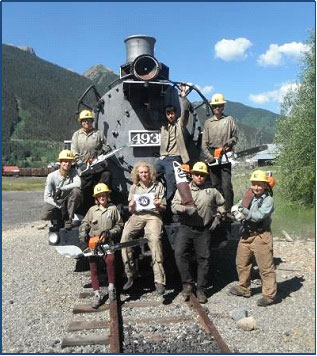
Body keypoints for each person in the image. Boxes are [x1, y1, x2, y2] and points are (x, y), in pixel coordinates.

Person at [171, 162, 226, 304]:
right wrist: (184, 209)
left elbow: (222, 204)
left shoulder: (212, 191)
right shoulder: (183, 189)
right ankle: (187, 284)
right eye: (197, 174)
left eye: (202, 175)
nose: (199, 177)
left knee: (204, 259)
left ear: (206, 176)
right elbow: (173, 206)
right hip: (186, 228)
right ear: (192, 175)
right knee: (179, 253)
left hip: (203, 230)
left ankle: (201, 289)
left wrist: (219, 217)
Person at [229, 170, 277, 307]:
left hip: (261, 236)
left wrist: (242, 211)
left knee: (265, 267)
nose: (256, 187)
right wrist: (236, 208)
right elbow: (239, 205)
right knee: (241, 263)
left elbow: (258, 216)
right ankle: (244, 288)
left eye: (259, 185)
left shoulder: (268, 200)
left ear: (265, 185)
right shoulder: (250, 195)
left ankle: (269, 296)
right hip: (246, 235)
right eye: (254, 184)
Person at [120, 161, 166, 295]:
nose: (144, 175)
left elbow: (164, 208)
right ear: (137, 174)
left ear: (150, 173)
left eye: (146, 172)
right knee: (125, 238)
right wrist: (132, 205)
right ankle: (130, 274)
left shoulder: (158, 186)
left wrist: (158, 205)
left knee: (155, 240)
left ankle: (159, 280)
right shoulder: (134, 187)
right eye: (141, 172)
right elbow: (130, 210)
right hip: (138, 216)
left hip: (153, 216)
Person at [79, 183, 123, 308]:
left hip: (107, 241)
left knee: (110, 261)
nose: (102, 197)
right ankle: (97, 294)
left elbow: (119, 225)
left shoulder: (113, 209)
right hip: (94, 241)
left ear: (107, 195)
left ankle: (111, 287)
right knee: (93, 266)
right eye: (99, 196)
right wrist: (83, 233)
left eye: (104, 195)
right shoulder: (92, 210)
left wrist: (110, 232)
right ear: (96, 198)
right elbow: (84, 223)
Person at [201, 93, 238, 211]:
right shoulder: (208, 123)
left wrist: (230, 143)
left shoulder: (229, 120)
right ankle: (217, 209)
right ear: (212, 107)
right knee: (215, 185)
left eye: (220, 106)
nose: (217, 108)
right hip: (212, 153)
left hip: (225, 153)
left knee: (226, 185)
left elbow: (235, 137)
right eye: (215, 106)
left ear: (223, 107)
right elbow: (204, 143)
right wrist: (209, 157)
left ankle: (228, 210)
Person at [71, 109, 111, 212]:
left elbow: (107, 146)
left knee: (105, 177)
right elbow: (74, 150)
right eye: (84, 120)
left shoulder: (99, 133)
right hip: (83, 168)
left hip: (97, 166)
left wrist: (101, 152)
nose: (86, 122)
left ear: (92, 121)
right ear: (81, 122)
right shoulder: (76, 135)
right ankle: (84, 211)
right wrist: (80, 163)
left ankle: (103, 205)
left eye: (88, 120)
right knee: (85, 189)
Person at [155, 83, 190, 202]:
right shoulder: (163, 127)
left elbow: (185, 111)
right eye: (168, 114)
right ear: (166, 115)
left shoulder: (180, 124)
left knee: (171, 181)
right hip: (164, 158)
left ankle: (169, 204)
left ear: (175, 114)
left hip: (175, 158)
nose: (170, 116)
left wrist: (183, 96)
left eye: (172, 113)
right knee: (152, 173)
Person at [42, 149, 82, 229]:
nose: (67, 164)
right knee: (45, 214)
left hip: (68, 201)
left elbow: (78, 184)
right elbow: (46, 197)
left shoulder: (74, 172)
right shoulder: (51, 176)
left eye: (69, 162)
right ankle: (58, 218)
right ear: (60, 162)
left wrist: (62, 189)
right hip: (56, 201)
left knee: (76, 191)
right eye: (65, 161)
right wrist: (59, 206)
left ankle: (68, 219)